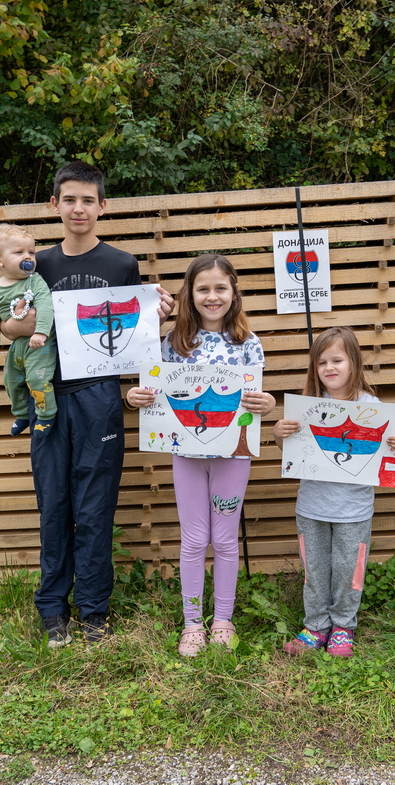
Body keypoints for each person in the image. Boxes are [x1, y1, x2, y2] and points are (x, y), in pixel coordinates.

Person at [0, 161, 173, 647]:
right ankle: (53, 609)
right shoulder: (36, 265)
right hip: (47, 398)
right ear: (54, 204)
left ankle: (95, 610)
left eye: (88, 200)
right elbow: (8, 325)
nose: (79, 208)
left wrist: (158, 317)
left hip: (100, 399)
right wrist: (25, 324)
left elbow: (134, 334)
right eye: (70, 199)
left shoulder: (121, 264)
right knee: (53, 505)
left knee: (95, 509)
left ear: (102, 206)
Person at [125, 254, 276, 657]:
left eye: (220, 288)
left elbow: (257, 397)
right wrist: (136, 397)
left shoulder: (248, 343)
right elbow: (153, 392)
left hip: (233, 456)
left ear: (233, 292)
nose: (212, 297)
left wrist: (267, 403)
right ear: (189, 294)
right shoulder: (174, 343)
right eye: (203, 289)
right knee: (193, 539)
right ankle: (193, 623)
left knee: (224, 539)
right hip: (186, 455)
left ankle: (223, 620)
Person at [272, 327, 395, 658]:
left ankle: (343, 627)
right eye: (322, 362)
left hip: (354, 509)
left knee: (350, 570)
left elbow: (390, 449)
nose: (329, 368)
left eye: (337, 360)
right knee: (315, 571)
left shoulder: (372, 406)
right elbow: (289, 449)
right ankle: (316, 627)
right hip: (312, 507)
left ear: (354, 362)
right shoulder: (307, 407)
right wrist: (278, 433)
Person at [0, 224, 56, 437]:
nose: (28, 257)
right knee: (11, 379)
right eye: (19, 252)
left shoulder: (35, 281)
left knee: (37, 378)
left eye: (31, 252)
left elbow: (46, 306)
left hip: (40, 344)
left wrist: (41, 332)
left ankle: (46, 416)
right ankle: (22, 413)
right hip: (18, 345)